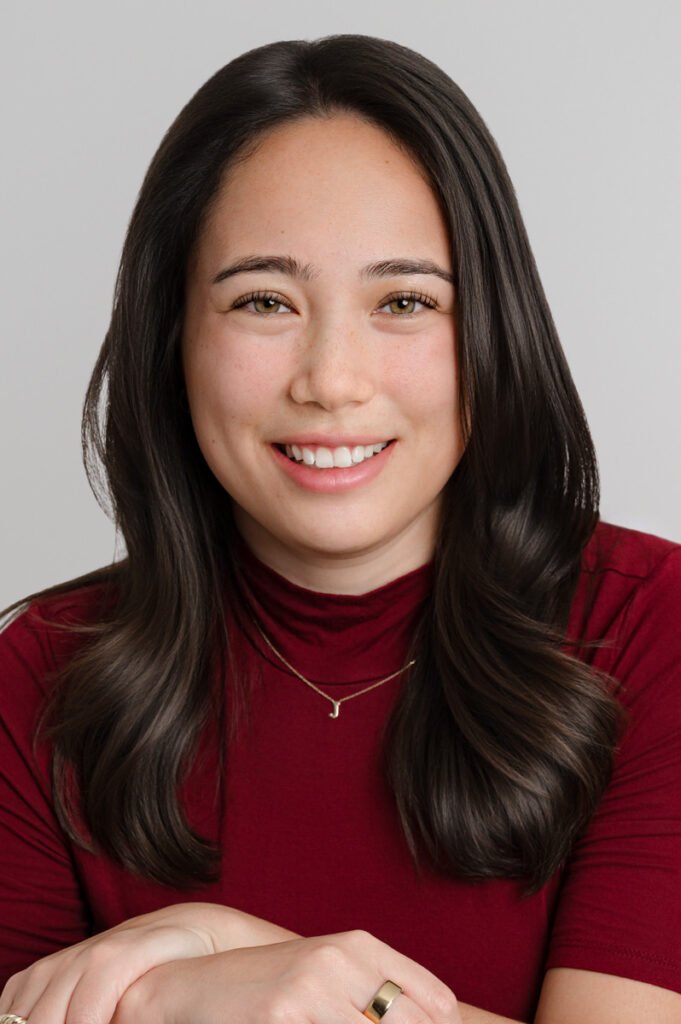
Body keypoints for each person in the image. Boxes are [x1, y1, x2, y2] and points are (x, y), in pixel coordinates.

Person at [0, 32, 679, 1024]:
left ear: (493, 330)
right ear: (174, 335)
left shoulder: (650, 631)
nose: (330, 379)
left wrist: (227, 948)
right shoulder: (39, 679)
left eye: (405, 300)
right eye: (264, 300)